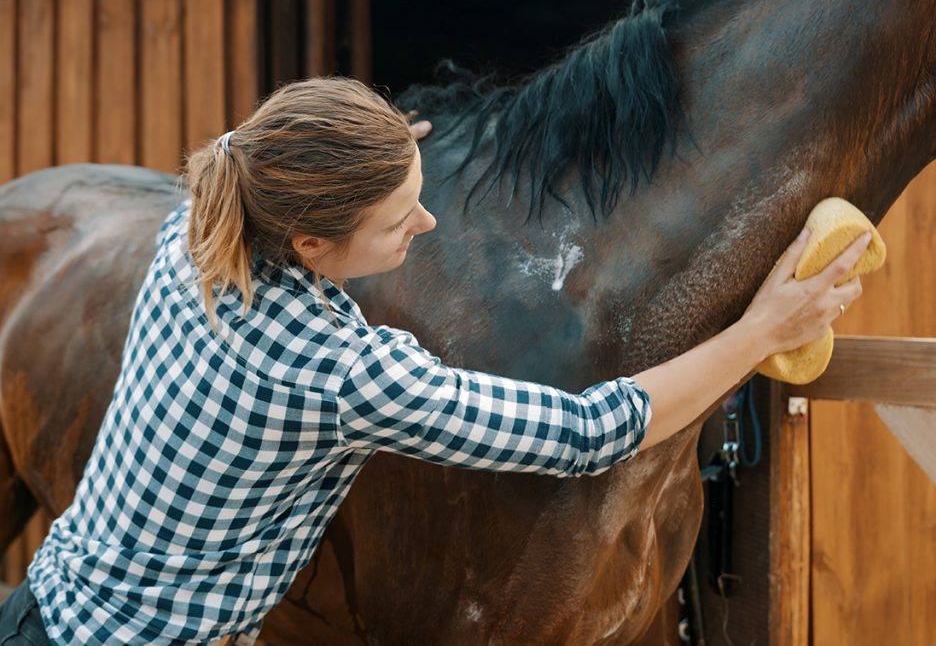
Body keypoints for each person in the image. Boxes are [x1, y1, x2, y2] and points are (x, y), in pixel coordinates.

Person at [0, 76, 867, 645]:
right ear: (310, 241)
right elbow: (587, 430)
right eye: (398, 216)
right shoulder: (339, 370)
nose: (428, 224)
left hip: (42, 607)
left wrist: (369, 152)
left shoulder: (196, 228)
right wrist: (763, 329)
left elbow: (256, 147)